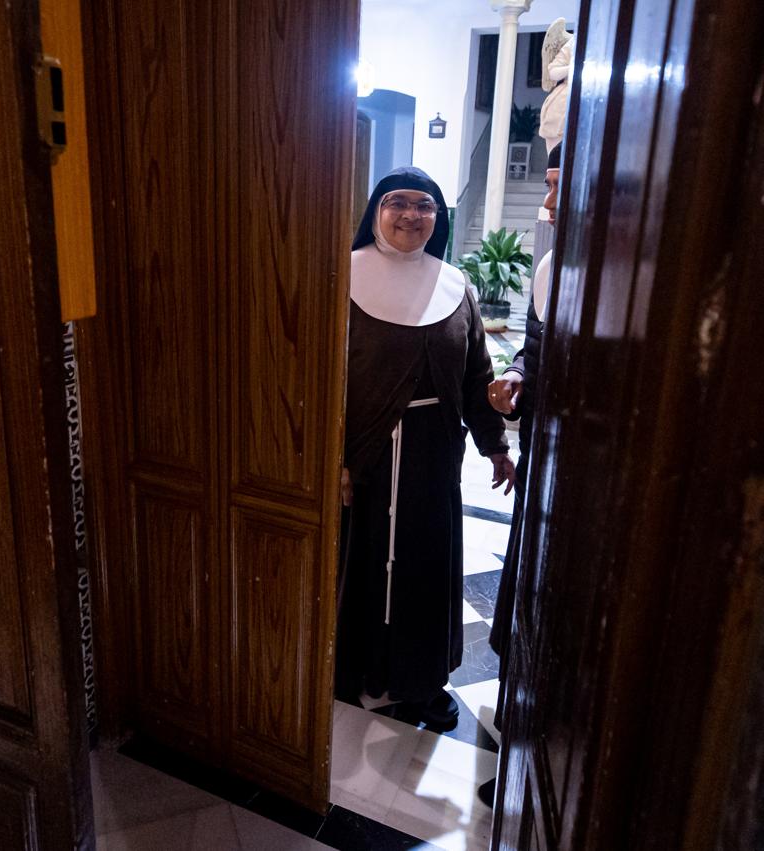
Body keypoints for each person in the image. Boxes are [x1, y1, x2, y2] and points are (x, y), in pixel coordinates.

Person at [336, 167, 516, 729]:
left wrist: (495, 447)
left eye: (426, 205)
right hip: (362, 458)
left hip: (432, 458)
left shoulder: (455, 284)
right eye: (398, 203)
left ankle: (418, 679)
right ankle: (355, 668)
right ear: (375, 212)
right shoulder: (342, 276)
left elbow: (476, 376)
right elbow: (319, 379)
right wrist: (329, 459)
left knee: (424, 564)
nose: (412, 215)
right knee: (361, 560)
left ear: (438, 218)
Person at [477, 143, 562, 808]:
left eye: (565, 185)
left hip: (584, 477)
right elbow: (538, 351)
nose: (550, 200)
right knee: (524, 592)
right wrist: (516, 377)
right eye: (549, 183)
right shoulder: (551, 263)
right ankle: (517, 720)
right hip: (545, 460)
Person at [539, 18, 574, 154]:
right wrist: (573, 67)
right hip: (566, 97)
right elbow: (553, 71)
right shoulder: (574, 42)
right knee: (556, 159)